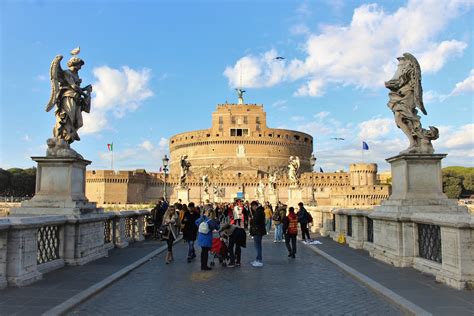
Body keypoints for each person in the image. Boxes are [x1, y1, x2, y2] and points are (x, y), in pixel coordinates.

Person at [249, 201, 266, 267]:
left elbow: (255, 222)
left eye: (252, 207)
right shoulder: (260, 211)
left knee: (258, 246)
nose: (252, 208)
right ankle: (258, 259)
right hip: (259, 230)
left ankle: (259, 260)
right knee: (258, 246)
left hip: (257, 231)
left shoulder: (258, 212)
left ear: (254, 206)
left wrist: (251, 220)